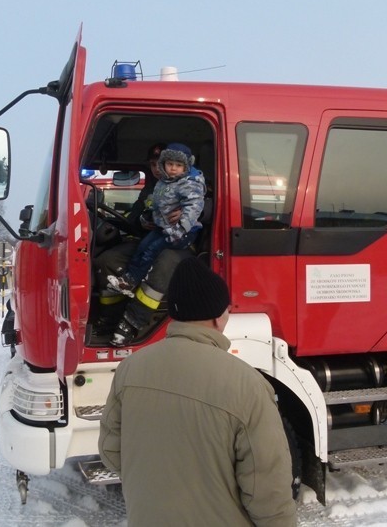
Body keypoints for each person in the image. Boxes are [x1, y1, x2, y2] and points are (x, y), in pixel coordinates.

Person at [98, 258, 297, 526]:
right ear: (218, 316)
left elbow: (111, 453)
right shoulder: (246, 384)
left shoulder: (129, 369)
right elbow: (268, 491)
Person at [106, 143, 205, 299]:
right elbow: (136, 215)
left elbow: (197, 204)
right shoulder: (154, 186)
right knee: (114, 258)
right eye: (153, 165)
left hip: (181, 235)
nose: (156, 169)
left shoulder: (189, 183)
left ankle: (138, 315)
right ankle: (122, 290)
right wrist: (144, 219)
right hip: (157, 230)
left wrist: (186, 216)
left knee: (159, 259)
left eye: (177, 165)